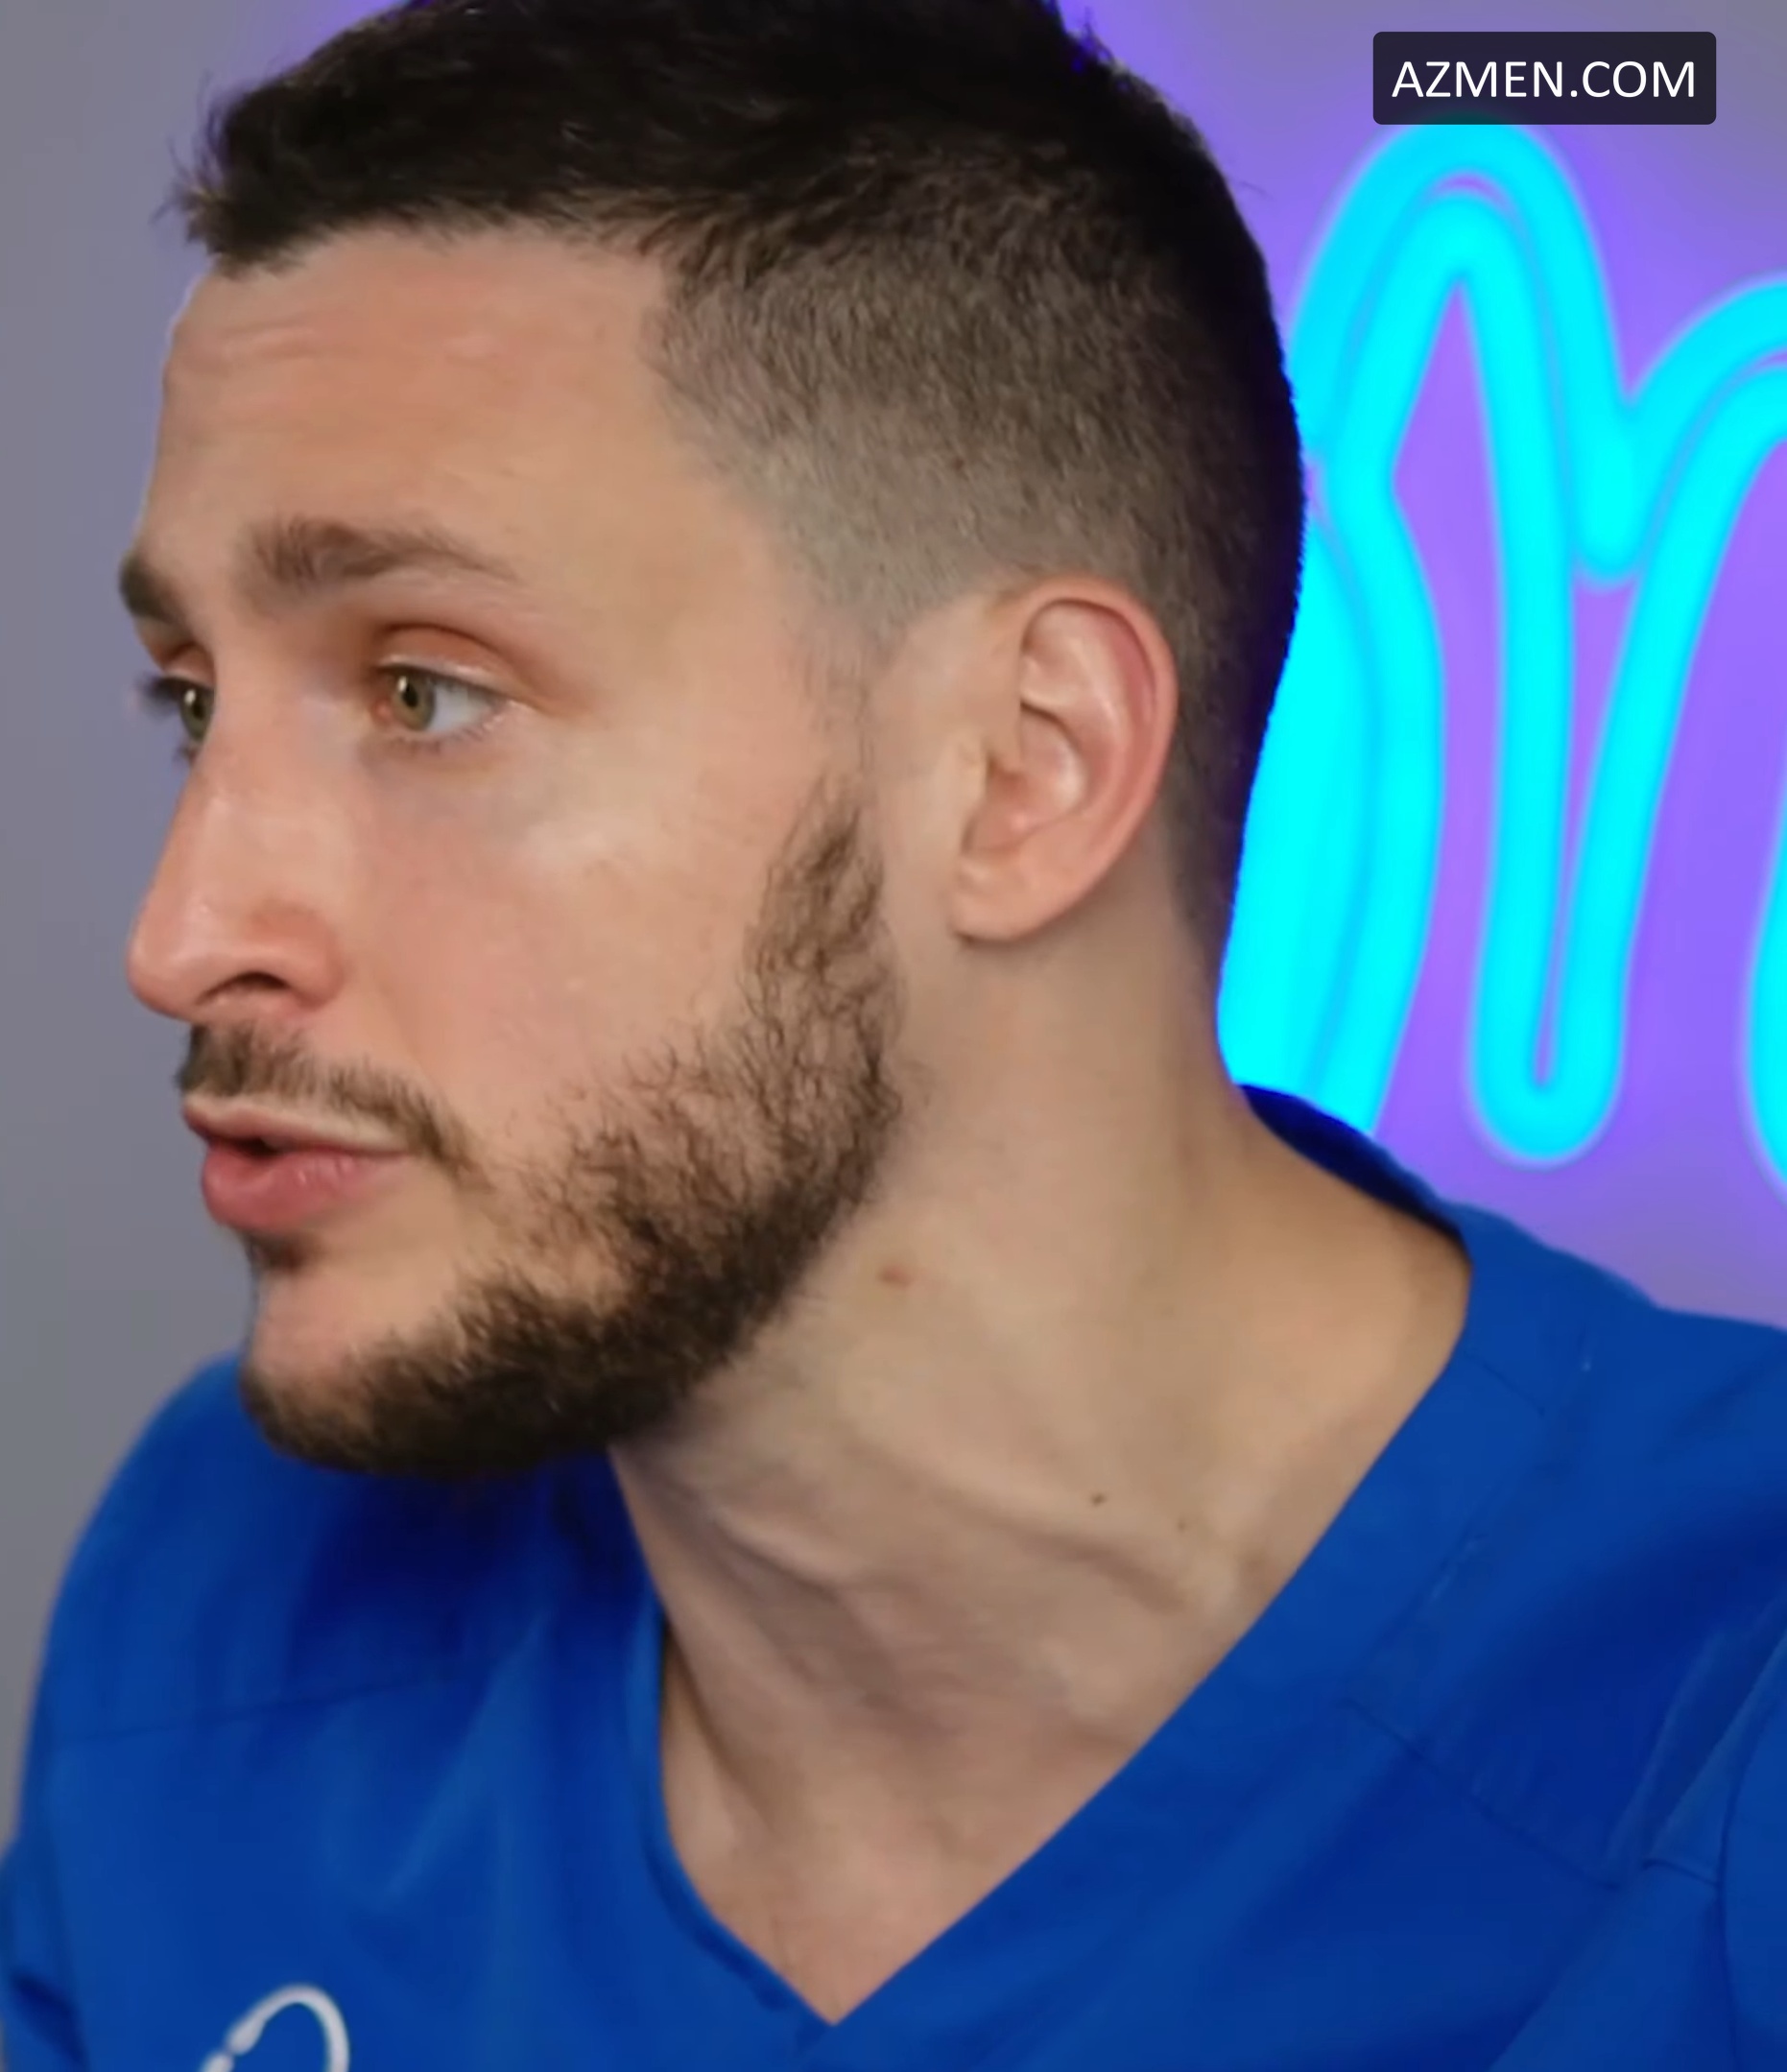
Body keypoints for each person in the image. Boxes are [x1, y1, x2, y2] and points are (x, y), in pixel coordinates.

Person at [5, 1, 1787, 2065]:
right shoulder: (224, 1592)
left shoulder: (1723, 1733)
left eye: (427, 694)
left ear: (1024, 766)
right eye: (194, 702)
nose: (184, 936)